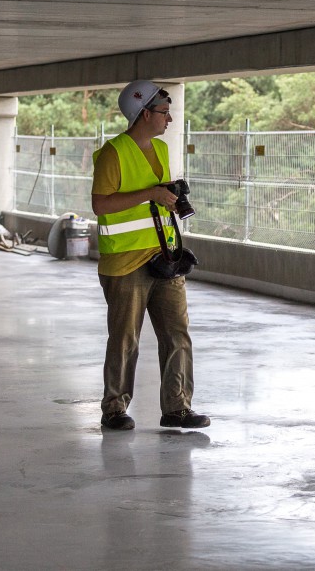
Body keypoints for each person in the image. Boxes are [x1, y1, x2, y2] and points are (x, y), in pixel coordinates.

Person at [90, 79, 210, 431]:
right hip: (125, 262)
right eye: (163, 112)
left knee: (177, 334)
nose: (169, 119)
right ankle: (114, 408)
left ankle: (177, 407)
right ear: (143, 114)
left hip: (165, 258)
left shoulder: (158, 151)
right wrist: (150, 194)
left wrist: (167, 195)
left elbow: (156, 200)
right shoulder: (114, 153)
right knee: (126, 338)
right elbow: (101, 204)